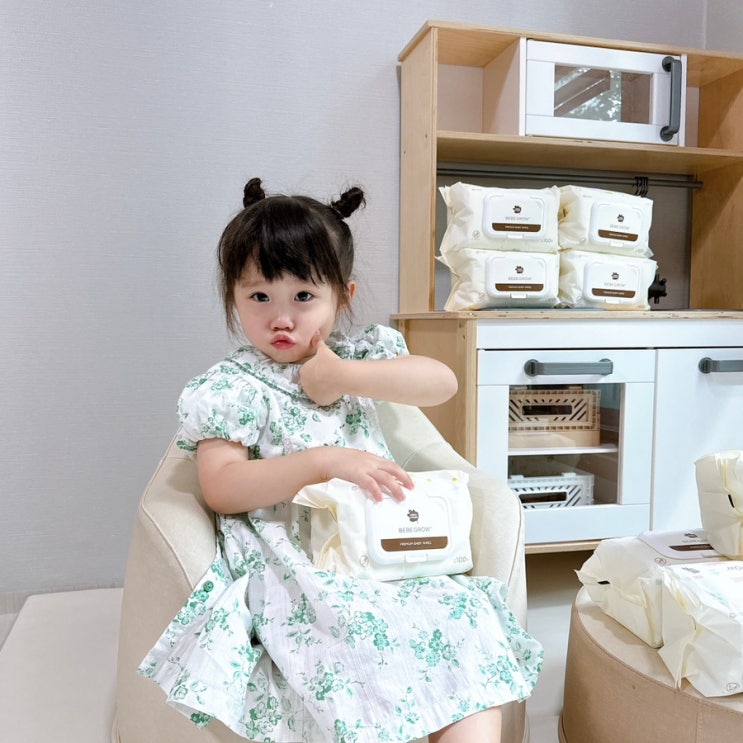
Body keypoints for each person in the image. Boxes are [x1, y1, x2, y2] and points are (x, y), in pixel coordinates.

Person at [139, 178, 542, 743]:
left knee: (462, 619)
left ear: (343, 295)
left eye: (304, 297)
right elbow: (222, 488)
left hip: (386, 545)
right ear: (233, 297)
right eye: (260, 297)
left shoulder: (360, 356)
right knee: (353, 637)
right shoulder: (234, 387)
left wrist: (343, 376)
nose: (282, 318)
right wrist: (323, 461)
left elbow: (441, 383)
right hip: (301, 560)